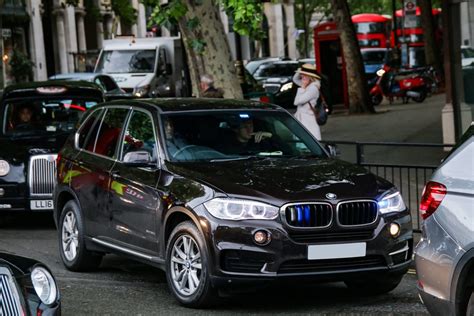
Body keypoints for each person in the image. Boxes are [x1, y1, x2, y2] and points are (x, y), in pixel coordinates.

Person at [293, 63, 322, 140]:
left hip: (308, 120)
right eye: (302, 75)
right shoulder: (308, 84)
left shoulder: (313, 88)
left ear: (310, 77)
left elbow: (296, 102)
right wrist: (300, 70)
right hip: (302, 119)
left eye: (304, 75)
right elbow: (295, 79)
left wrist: (302, 88)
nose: (302, 77)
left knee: (309, 143)